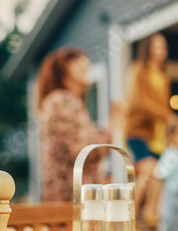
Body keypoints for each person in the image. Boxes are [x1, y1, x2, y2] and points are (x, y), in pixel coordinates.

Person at [37, 47, 119, 202]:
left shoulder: (70, 102)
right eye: (77, 61)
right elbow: (84, 152)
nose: (85, 64)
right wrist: (113, 124)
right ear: (64, 69)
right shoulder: (62, 101)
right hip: (69, 200)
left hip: (72, 197)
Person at [124, 33, 173, 227]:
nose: (160, 51)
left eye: (163, 46)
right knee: (147, 170)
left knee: (158, 175)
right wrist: (167, 114)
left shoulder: (163, 76)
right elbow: (138, 101)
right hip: (138, 130)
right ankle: (130, 215)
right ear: (147, 48)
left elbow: (163, 106)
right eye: (156, 46)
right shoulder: (138, 70)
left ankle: (151, 215)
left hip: (157, 134)